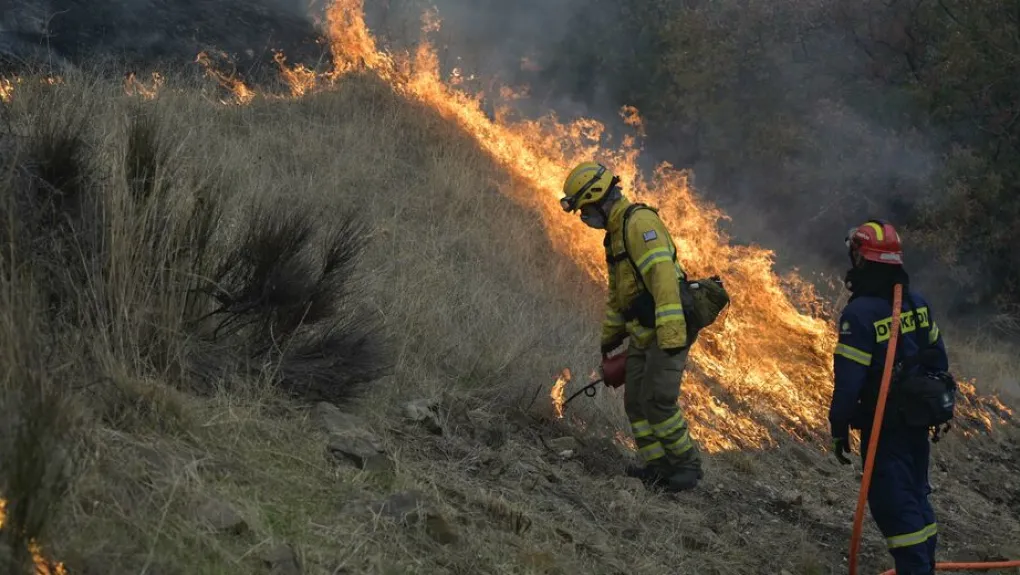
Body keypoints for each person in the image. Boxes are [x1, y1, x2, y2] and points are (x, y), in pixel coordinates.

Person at [559, 160, 703, 492]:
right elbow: (618, 294)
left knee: (659, 401)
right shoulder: (615, 236)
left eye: (585, 210)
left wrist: (669, 336)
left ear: (598, 197)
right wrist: (611, 337)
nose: (585, 218)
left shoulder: (639, 224)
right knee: (636, 402)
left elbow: (664, 279)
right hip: (642, 333)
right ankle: (657, 467)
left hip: (667, 331)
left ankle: (686, 468)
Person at [830, 219, 949, 575]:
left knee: (893, 505)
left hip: (884, 428)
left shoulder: (860, 314)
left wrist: (838, 428)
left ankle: (916, 569)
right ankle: (924, 563)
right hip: (916, 423)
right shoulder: (917, 303)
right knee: (915, 494)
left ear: (863, 260)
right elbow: (938, 359)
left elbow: (849, 383)